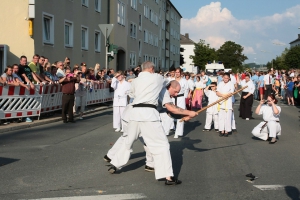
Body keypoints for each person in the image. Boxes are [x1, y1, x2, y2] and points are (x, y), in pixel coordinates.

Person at [105, 74, 197, 185]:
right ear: (170, 87)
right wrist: (189, 112)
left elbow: (168, 112)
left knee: (129, 141)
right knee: (162, 145)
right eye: (176, 91)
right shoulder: (164, 90)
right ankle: (168, 177)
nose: (176, 95)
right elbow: (171, 108)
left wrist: (183, 117)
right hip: (147, 115)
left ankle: (115, 164)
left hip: (133, 113)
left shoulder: (149, 85)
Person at [173, 67, 190, 138]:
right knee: (172, 113)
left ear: (181, 73)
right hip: (173, 98)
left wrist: (184, 97)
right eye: (176, 72)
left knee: (180, 114)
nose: (177, 73)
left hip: (181, 98)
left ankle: (178, 132)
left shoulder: (184, 81)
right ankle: (171, 128)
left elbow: (187, 89)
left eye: (178, 72)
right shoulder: (172, 80)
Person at [216, 73, 235, 137]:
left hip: (228, 101)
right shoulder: (220, 83)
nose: (226, 79)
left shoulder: (231, 84)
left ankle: (227, 130)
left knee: (228, 117)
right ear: (222, 78)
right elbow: (217, 92)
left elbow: (231, 93)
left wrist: (226, 95)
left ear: (229, 78)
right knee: (221, 117)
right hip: (221, 101)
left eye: (227, 78)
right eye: (224, 78)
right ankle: (222, 130)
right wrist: (222, 95)